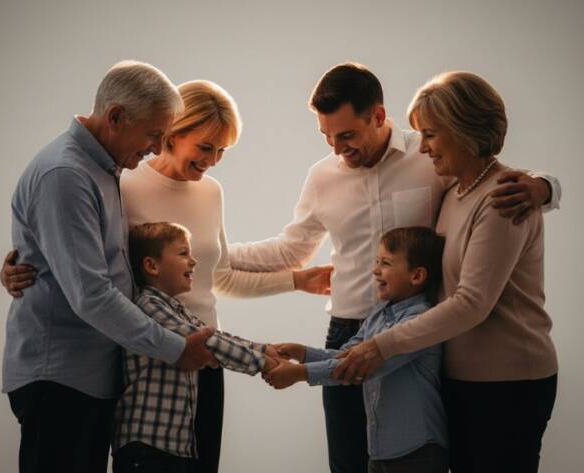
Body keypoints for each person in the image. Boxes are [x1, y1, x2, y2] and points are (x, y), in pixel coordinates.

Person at [227, 62, 562, 473]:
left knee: (412, 456)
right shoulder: (323, 177)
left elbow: (493, 179)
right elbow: (289, 249)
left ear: (378, 117)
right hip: (351, 331)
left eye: (346, 134)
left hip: (420, 333)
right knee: (351, 461)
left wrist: (545, 187)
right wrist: (214, 255)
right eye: (327, 136)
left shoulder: (433, 164)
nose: (337, 148)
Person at [0, 79, 331, 472]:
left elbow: (218, 275)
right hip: (150, 356)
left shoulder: (211, 192)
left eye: (223, 149)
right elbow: (82, 262)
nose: (213, 159)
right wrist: (22, 267)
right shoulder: (122, 182)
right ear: (173, 134)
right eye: (205, 146)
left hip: (208, 353)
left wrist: (296, 280)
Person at [332, 71, 559, 473]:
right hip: (462, 382)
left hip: (508, 385)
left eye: (431, 135)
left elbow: (471, 303)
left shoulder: (504, 198)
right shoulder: (453, 191)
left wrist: (382, 345)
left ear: (465, 129)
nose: (422, 149)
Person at [2, 60, 217, 473]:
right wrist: (175, 349)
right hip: (60, 379)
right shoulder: (66, 175)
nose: (156, 147)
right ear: (116, 116)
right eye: (154, 134)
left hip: (88, 377)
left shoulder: (103, 170)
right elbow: (91, 294)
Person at [264, 227, 448, 473]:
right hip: (380, 453)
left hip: (417, 452)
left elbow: (362, 366)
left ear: (417, 276)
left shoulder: (421, 322)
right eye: (376, 261)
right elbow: (347, 356)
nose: (375, 270)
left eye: (385, 263)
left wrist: (300, 373)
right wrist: (302, 352)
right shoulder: (378, 315)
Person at [114, 222, 281, 473]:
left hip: (173, 448)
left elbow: (218, 336)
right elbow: (210, 343)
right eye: (183, 254)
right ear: (151, 266)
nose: (193, 262)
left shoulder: (176, 309)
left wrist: (266, 349)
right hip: (147, 448)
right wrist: (262, 362)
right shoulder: (148, 306)